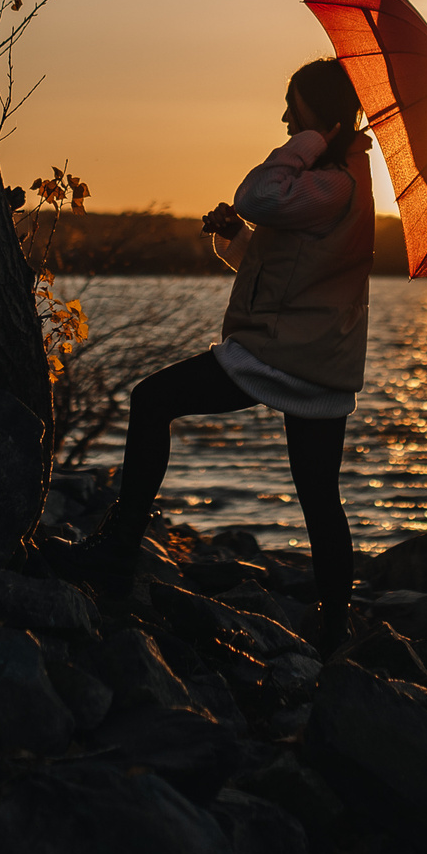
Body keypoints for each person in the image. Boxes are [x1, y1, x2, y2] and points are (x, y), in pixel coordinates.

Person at [63, 57, 373, 653]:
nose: (285, 117)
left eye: (295, 107)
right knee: (318, 494)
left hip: (282, 359)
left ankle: (118, 550)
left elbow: (257, 193)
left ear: (320, 119)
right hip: (313, 358)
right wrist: (234, 239)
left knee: (151, 401)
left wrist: (313, 138)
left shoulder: (333, 182)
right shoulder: (335, 182)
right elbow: (286, 272)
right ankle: (337, 629)